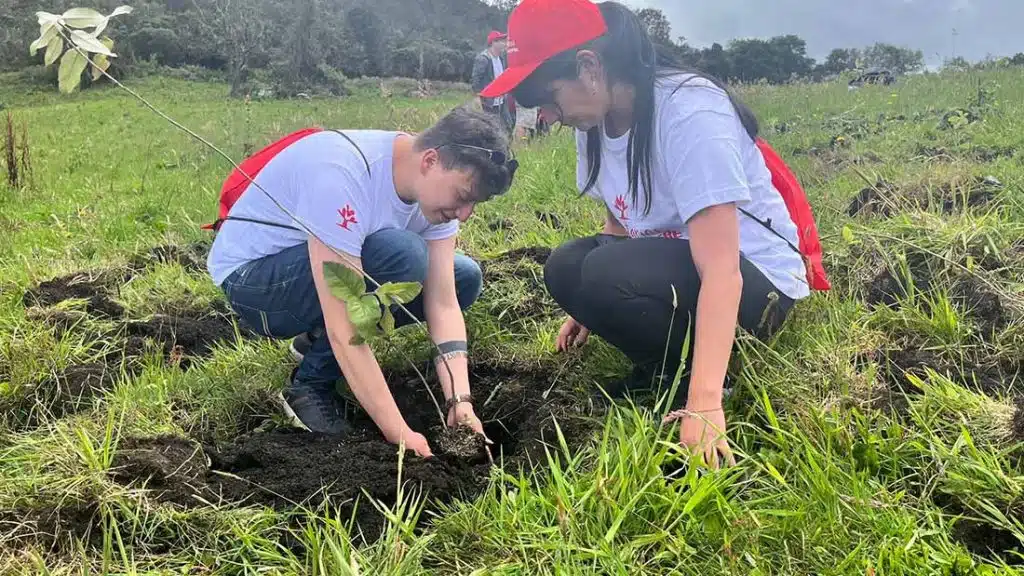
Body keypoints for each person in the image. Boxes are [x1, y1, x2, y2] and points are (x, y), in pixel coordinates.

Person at [479, 0, 827, 468]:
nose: (552, 117)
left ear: (589, 68)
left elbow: (723, 271)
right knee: (566, 267)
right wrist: (588, 302)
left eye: (551, 100)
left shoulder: (689, 113)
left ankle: (699, 381)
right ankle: (664, 368)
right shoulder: (596, 118)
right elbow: (620, 220)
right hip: (682, 265)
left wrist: (706, 404)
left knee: (603, 270)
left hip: (757, 284)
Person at [205, 106, 518, 458]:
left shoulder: (435, 195)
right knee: (402, 256)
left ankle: (314, 343)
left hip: (313, 271)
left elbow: (444, 302)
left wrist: (460, 401)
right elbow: (346, 323)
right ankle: (310, 386)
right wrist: (399, 433)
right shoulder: (343, 173)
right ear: (431, 160)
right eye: (463, 198)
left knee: (463, 278)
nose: (464, 214)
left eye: (473, 204)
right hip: (254, 284)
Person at [471, 30, 516, 134]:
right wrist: (478, 97)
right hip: (489, 101)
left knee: (508, 125)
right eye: (501, 41)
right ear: (493, 43)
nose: (504, 44)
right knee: (490, 127)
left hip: (501, 99)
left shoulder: (501, 58)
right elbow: (476, 80)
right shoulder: (483, 59)